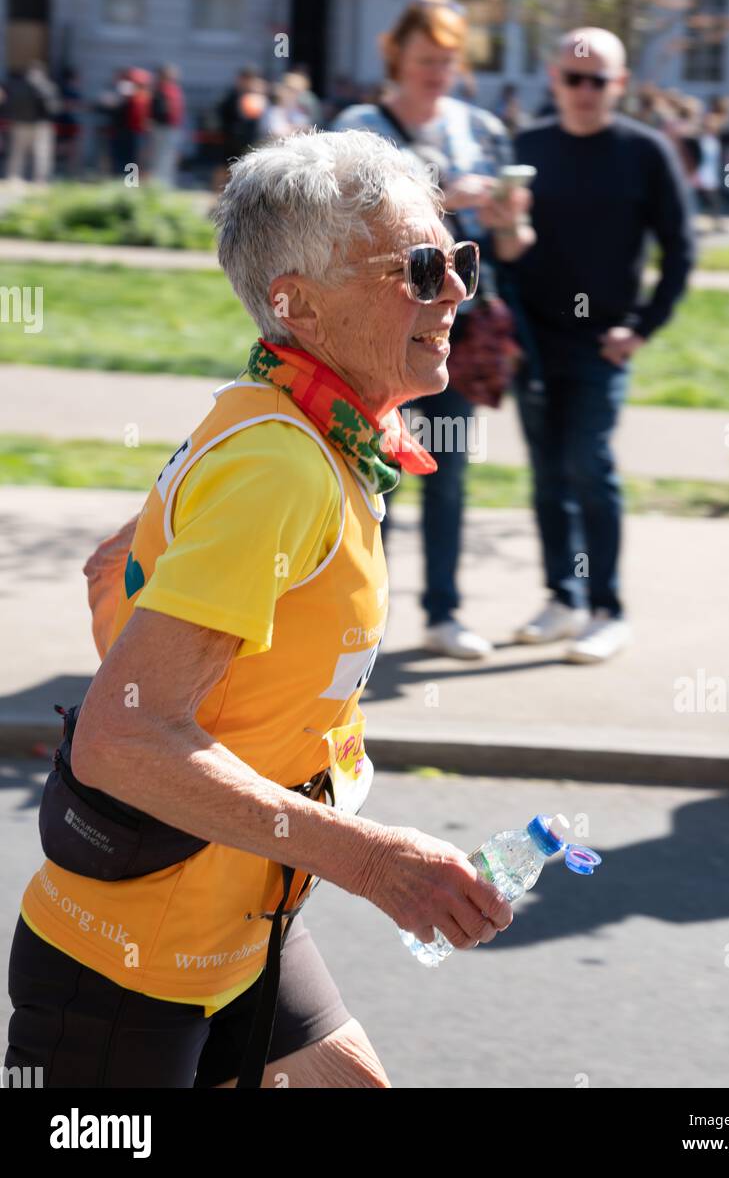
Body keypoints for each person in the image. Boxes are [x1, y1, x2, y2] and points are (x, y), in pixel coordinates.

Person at [4, 130, 513, 1090]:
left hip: (245, 925)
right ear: (297, 302)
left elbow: (112, 568)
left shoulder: (281, 419)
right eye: (417, 267)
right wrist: (376, 862)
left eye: (458, 261)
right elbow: (118, 741)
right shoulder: (280, 466)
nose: (453, 292)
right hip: (131, 968)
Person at [332, 0, 532, 660]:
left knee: (446, 472)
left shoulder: (479, 128)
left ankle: (442, 613)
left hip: (453, 326)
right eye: (425, 60)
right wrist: (445, 196)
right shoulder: (360, 124)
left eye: (447, 62)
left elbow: (509, 249)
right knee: (370, 469)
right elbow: (343, 213)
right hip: (377, 325)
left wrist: (509, 223)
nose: (437, 74)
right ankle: (357, 618)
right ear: (396, 56)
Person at [504, 27, 695, 662]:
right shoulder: (527, 147)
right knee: (547, 473)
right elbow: (506, 243)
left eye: (598, 81)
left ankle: (608, 607)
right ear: (554, 79)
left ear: (619, 85)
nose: (583, 91)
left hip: (602, 344)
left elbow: (681, 248)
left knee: (589, 465)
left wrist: (642, 327)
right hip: (532, 338)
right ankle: (564, 597)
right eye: (572, 78)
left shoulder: (644, 152)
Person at [2, 60, 60, 183]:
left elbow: (8, 104)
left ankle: (13, 178)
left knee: (17, 153)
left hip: (19, 124)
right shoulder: (47, 86)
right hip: (40, 125)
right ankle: (40, 181)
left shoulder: (16, 85)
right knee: (41, 154)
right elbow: (54, 107)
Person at [150, 64, 186, 187]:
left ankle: (165, 182)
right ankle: (159, 183)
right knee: (161, 157)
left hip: (171, 128)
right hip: (162, 127)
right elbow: (158, 109)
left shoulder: (169, 89)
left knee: (168, 157)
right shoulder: (160, 90)